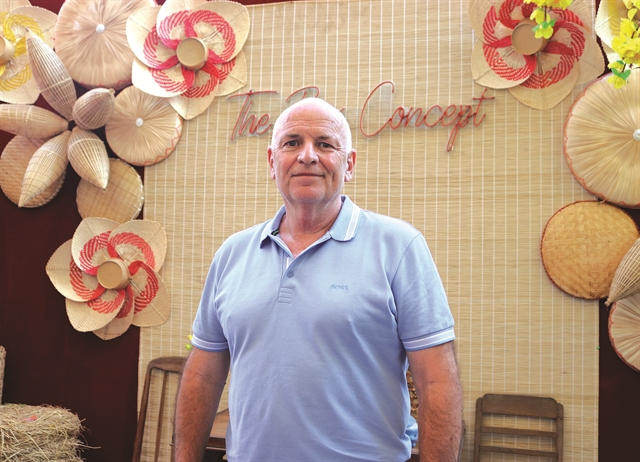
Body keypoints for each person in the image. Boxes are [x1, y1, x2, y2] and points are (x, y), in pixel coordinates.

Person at [174, 98, 463, 462]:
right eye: (292, 142)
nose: (307, 155)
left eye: (325, 144)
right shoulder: (232, 254)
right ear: (272, 162)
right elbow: (202, 375)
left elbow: (437, 383)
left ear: (349, 164)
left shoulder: (399, 246)